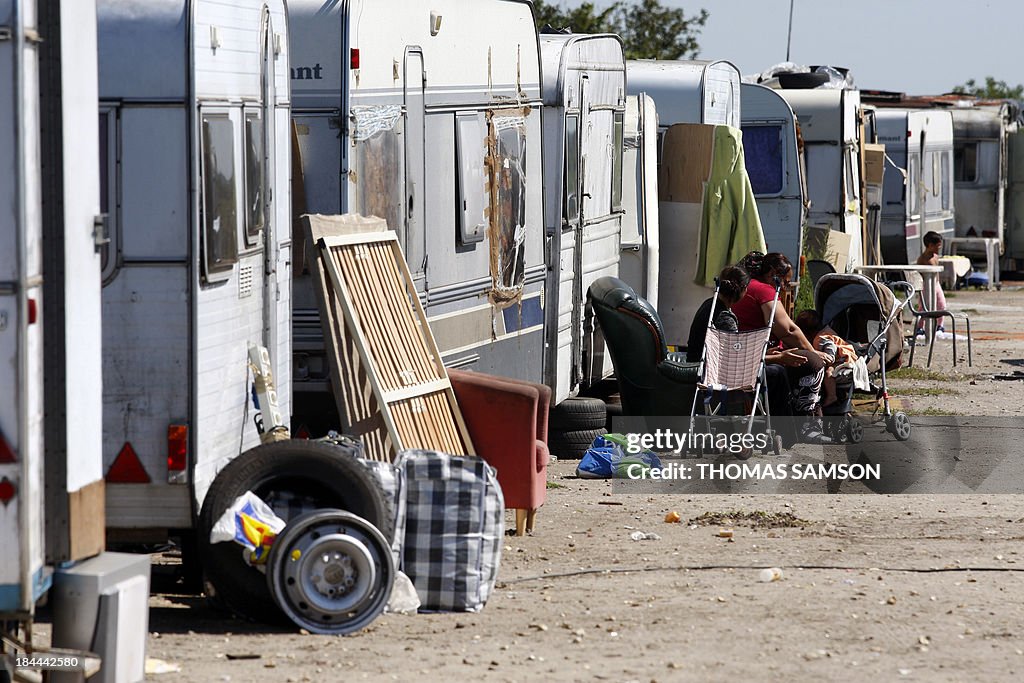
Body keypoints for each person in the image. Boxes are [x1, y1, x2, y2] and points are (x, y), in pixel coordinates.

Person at [732, 251, 830, 443]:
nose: (785, 287)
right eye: (784, 281)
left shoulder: (747, 287)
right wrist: (813, 352)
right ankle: (805, 426)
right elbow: (788, 330)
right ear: (772, 275)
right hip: (754, 358)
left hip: (746, 352)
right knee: (813, 363)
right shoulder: (764, 290)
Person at [795, 309, 857, 409]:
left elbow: (830, 355)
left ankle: (832, 396)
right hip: (838, 357)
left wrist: (826, 360)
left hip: (842, 359)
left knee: (829, 373)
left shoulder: (822, 339)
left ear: (808, 333)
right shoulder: (821, 335)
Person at [686, 266, 748, 362]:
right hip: (706, 369)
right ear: (743, 289)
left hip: (695, 361)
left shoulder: (709, 303)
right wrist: (774, 358)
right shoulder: (725, 318)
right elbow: (736, 355)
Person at [915, 231, 948, 334]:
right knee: (924, 307)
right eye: (937, 246)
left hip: (936, 284)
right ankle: (920, 327)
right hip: (926, 285)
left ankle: (940, 325)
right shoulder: (923, 259)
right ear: (930, 245)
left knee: (941, 305)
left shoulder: (935, 256)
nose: (939, 248)